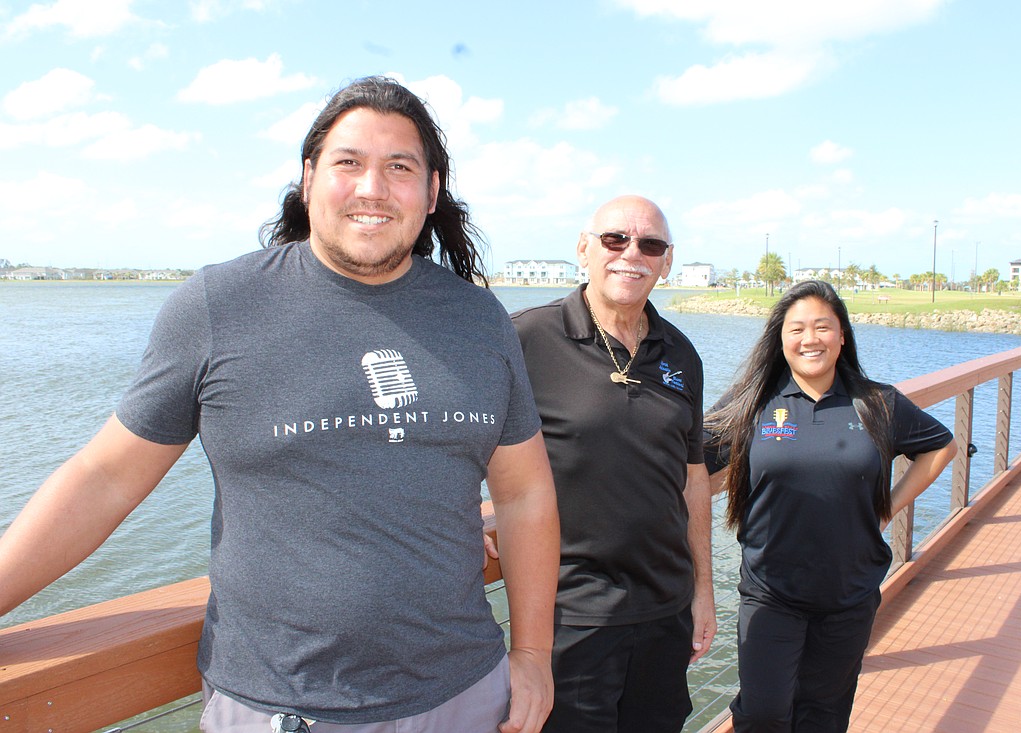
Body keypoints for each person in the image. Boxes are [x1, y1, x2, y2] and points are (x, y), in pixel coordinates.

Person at [0, 76, 559, 733]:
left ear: (432, 192)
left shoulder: (480, 321)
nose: (372, 187)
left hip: (467, 696)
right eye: (348, 162)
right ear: (308, 177)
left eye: (400, 168)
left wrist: (532, 652)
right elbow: (105, 476)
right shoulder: (219, 306)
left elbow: (525, 494)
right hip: (280, 707)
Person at [705, 279, 957, 732]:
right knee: (762, 712)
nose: (810, 339)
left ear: (842, 336)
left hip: (849, 592)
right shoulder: (752, 404)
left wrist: (888, 508)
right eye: (796, 328)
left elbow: (941, 447)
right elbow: (691, 467)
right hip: (771, 592)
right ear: (780, 339)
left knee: (823, 714)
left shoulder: (877, 402)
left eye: (823, 327)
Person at [508, 195, 716, 732]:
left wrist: (703, 590)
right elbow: (463, 442)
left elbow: (692, 477)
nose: (632, 254)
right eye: (615, 239)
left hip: (665, 611)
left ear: (667, 262)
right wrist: (471, 513)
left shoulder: (680, 353)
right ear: (583, 249)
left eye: (650, 245)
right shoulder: (527, 338)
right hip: (572, 614)